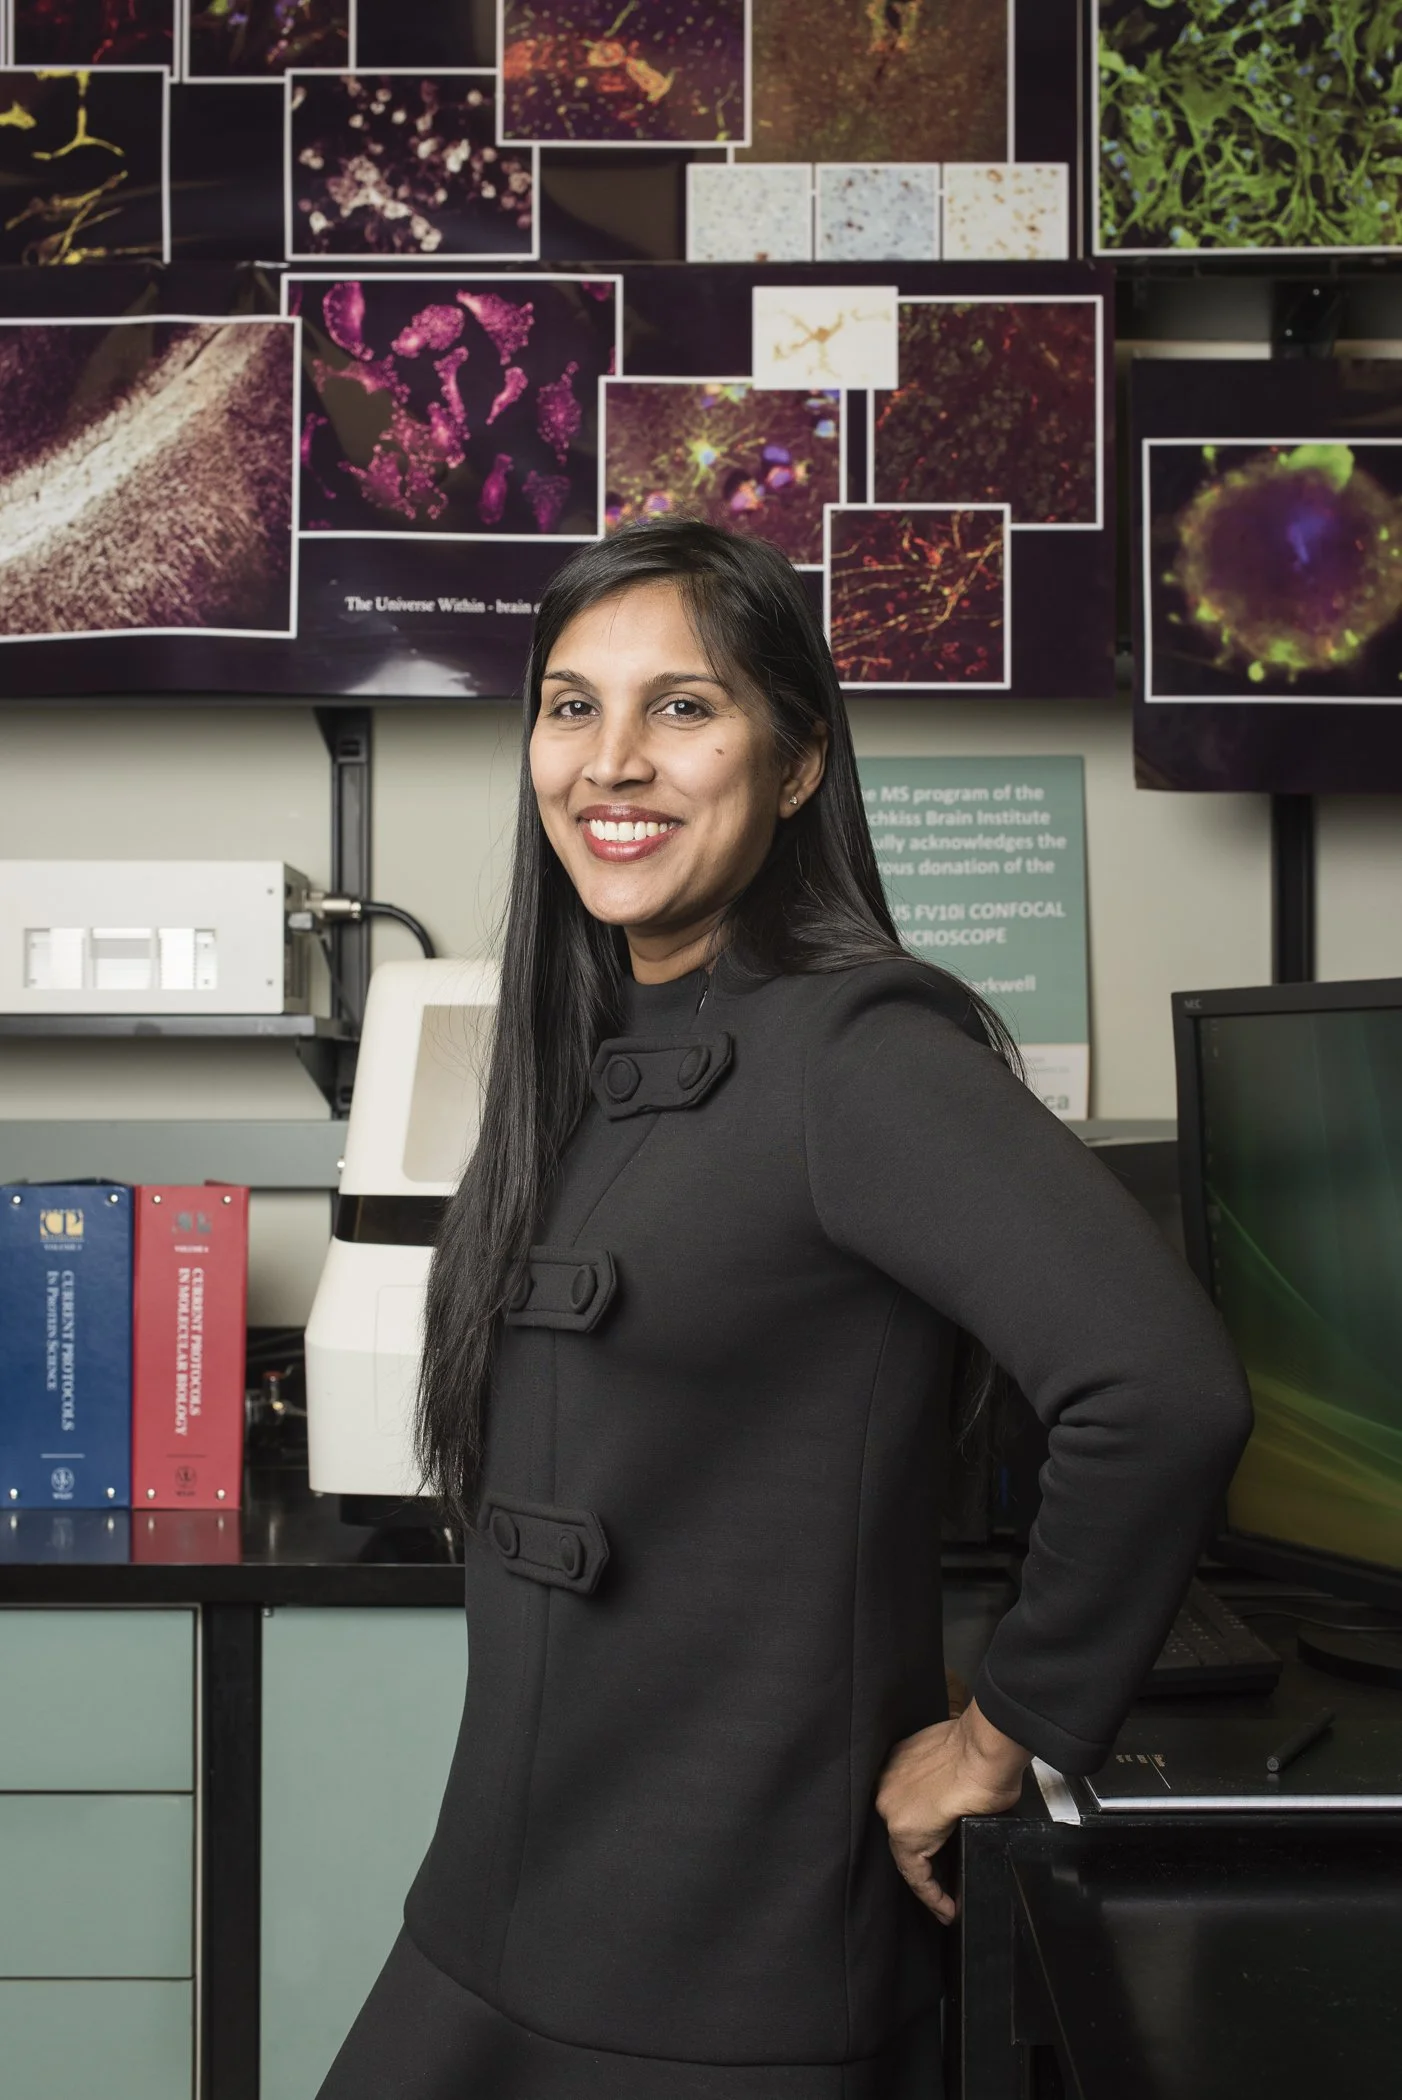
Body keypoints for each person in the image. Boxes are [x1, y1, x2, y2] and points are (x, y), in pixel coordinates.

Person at [317, 519, 1251, 2100]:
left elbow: (1157, 1391)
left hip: (725, 1967)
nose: (610, 764)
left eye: (682, 708)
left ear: (797, 761)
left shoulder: (856, 1054)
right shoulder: (582, 1041)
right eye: (569, 707)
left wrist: (997, 1732)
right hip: (498, 1912)